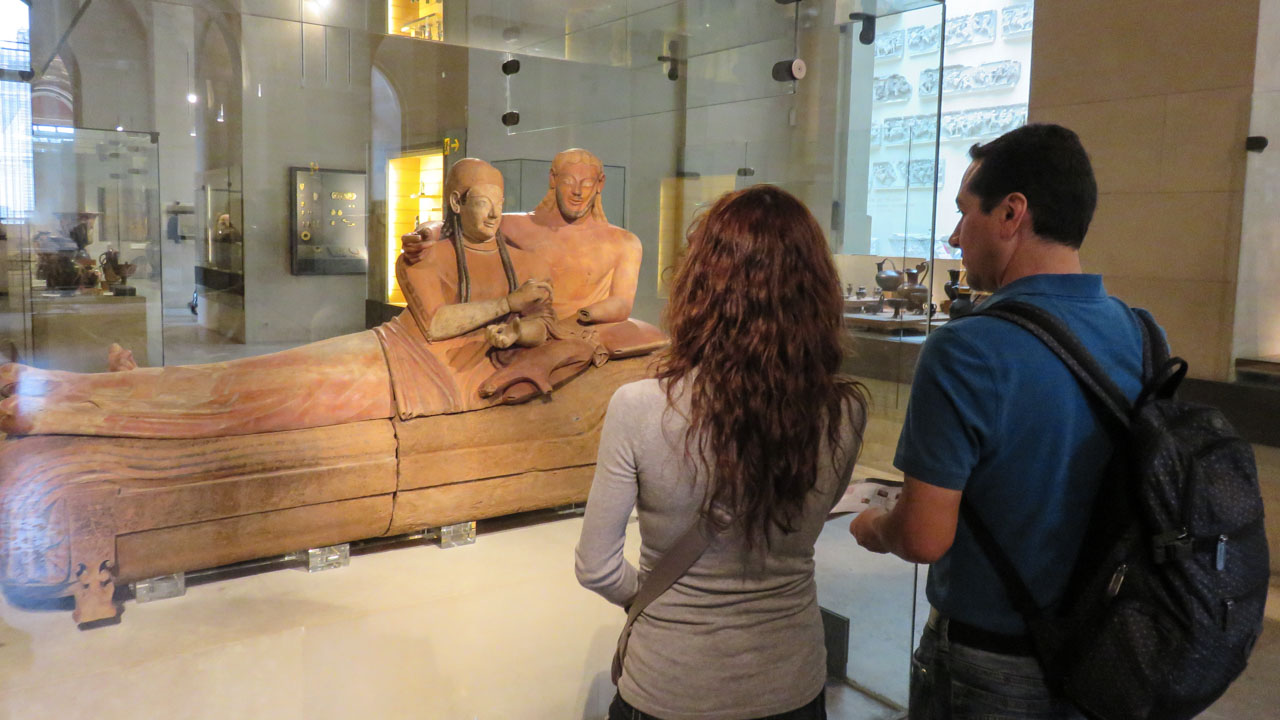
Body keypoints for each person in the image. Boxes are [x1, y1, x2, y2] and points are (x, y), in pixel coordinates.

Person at [849, 124, 1149, 719]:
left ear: (1012, 213)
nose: (955, 235)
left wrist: (876, 526)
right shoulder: (1141, 333)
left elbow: (924, 537)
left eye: (965, 213)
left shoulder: (965, 348)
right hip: (1109, 651)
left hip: (991, 662)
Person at [0, 159, 589, 438]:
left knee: (250, 399)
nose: (495, 213)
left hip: (426, 384)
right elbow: (436, 324)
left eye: (500, 202)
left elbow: (551, 324)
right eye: (482, 201)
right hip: (398, 360)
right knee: (245, 381)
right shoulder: (428, 256)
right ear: (457, 203)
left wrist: (523, 323)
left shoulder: (521, 256)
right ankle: (69, 388)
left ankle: (67, 408)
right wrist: (509, 306)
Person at [576, 185, 868, 720]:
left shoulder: (639, 407)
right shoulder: (844, 411)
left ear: (700, 285)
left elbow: (596, 568)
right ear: (815, 290)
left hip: (670, 684)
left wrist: (659, 602)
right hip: (791, 684)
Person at [405, 148, 642, 326]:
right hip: (522, 329)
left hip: (581, 329)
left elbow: (622, 302)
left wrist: (583, 317)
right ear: (553, 179)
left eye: (587, 183)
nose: (577, 192)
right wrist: (426, 233)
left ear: (600, 184)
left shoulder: (624, 242)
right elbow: (464, 224)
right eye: (568, 182)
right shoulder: (517, 226)